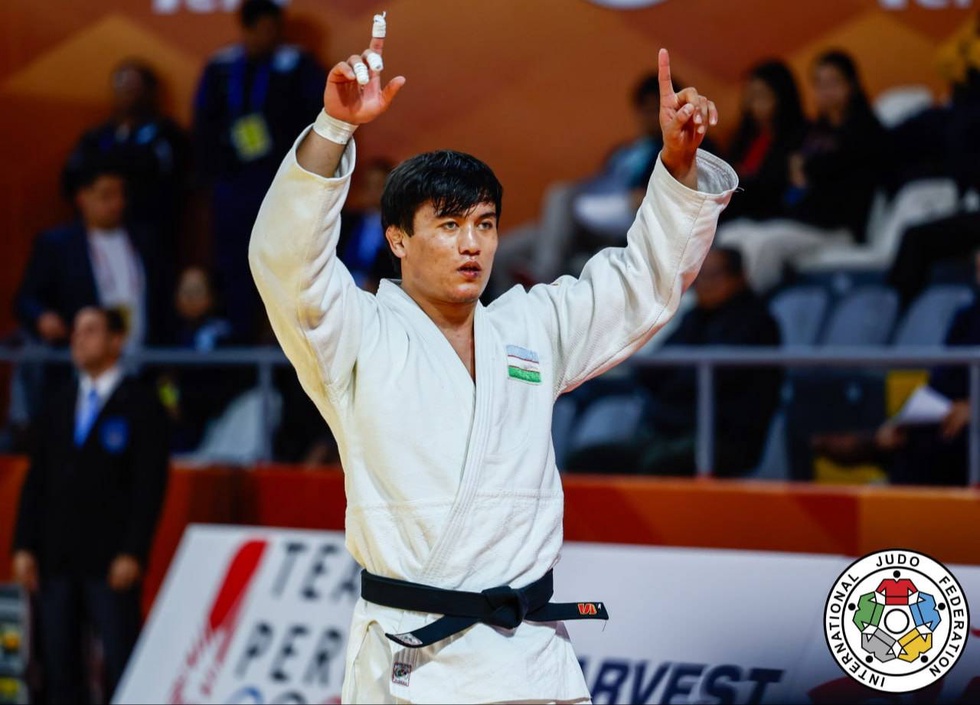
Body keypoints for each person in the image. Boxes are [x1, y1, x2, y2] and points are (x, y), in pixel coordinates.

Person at [249, 15, 736, 703]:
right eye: (448, 226)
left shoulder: (530, 326)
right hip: (415, 659)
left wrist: (678, 170)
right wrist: (335, 128)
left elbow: (642, 285)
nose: (471, 244)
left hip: (529, 656)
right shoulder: (355, 334)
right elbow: (285, 265)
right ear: (397, 239)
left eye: (484, 224)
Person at [10, 307, 170, 703]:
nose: (78, 339)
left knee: (120, 660)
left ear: (116, 340)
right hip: (56, 557)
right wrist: (23, 544)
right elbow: (36, 480)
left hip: (110, 559)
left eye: (91, 330)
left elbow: (148, 487)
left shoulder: (141, 404)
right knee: (59, 665)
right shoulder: (59, 402)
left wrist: (134, 551)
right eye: (76, 331)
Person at [565, 246, 782, 477]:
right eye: (700, 276)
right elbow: (653, 372)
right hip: (669, 432)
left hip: (723, 438)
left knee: (658, 466)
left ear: (739, 277)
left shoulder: (757, 324)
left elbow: (709, 383)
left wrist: (678, 382)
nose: (704, 284)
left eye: (713, 275)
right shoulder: (694, 318)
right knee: (587, 461)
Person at [193, 0, 326, 341]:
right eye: (261, 29)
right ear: (247, 29)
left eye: (273, 29)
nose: (268, 37)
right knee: (235, 264)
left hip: (282, 183)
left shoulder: (297, 65)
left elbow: (317, 121)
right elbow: (203, 126)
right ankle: (238, 340)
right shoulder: (222, 67)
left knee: (285, 264)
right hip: (233, 186)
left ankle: (287, 345)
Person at [717, 50, 888, 292]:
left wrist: (808, 169)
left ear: (851, 85)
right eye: (819, 84)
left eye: (834, 82)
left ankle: (745, 305)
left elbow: (833, 176)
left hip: (836, 227)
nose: (826, 91)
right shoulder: (815, 133)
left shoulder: (866, 130)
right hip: (801, 219)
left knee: (766, 244)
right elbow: (797, 181)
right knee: (733, 236)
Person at [15, 161, 169, 350]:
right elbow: (27, 299)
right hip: (80, 358)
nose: (117, 203)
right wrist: (42, 317)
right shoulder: (58, 245)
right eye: (106, 196)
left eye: (121, 194)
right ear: (82, 198)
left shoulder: (145, 240)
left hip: (143, 355)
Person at [62, 59, 188, 248]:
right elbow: (72, 178)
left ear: (148, 90)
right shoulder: (97, 136)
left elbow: (178, 180)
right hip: (101, 234)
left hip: (153, 229)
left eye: (132, 85)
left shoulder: (167, 134)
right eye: (120, 84)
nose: (125, 91)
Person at [722, 59, 805, 223]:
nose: (755, 104)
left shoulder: (800, 137)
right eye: (750, 96)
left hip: (774, 218)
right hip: (737, 214)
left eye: (762, 95)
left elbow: (782, 190)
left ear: (781, 96)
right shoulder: (745, 135)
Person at [337, 157, 398, 291]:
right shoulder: (346, 220)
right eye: (368, 185)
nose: (372, 192)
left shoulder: (398, 228)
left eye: (378, 186)